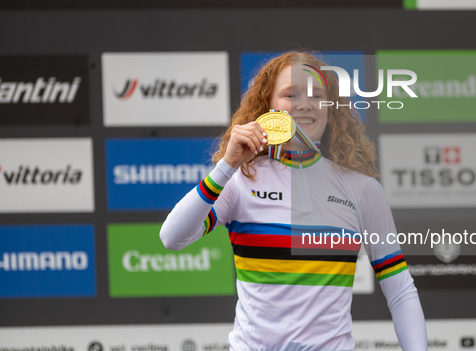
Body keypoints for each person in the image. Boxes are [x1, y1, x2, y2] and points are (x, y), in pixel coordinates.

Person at [160, 52, 428, 351]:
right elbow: (172, 238)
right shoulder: (239, 181)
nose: (304, 104)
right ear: (269, 106)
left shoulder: (362, 189)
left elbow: (400, 290)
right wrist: (226, 165)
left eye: (317, 95)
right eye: (291, 94)